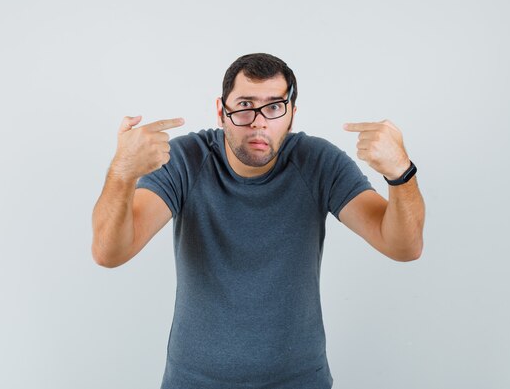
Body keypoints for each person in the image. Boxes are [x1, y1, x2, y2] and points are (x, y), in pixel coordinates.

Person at [91, 53, 425, 389]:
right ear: (222, 112)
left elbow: (403, 246)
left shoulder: (317, 162)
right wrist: (122, 172)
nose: (259, 122)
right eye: (245, 105)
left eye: (274, 106)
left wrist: (401, 172)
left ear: (292, 114)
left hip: (299, 381)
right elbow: (110, 252)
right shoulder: (185, 161)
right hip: (193, 381)